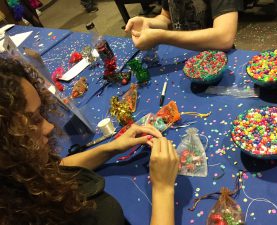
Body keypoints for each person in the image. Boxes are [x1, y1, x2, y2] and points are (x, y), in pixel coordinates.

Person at [0, 55, 179, 225]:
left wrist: (112, 148)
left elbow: (55, 167)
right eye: (32, 122)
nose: (49, 127)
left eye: (41, 114)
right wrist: (163, 189)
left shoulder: (18, 180)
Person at [125, 0, 238, 51]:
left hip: (217, 57)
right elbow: (166, 17)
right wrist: (148, 22)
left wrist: (162, 37)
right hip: (183, 51)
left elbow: (224, 38)